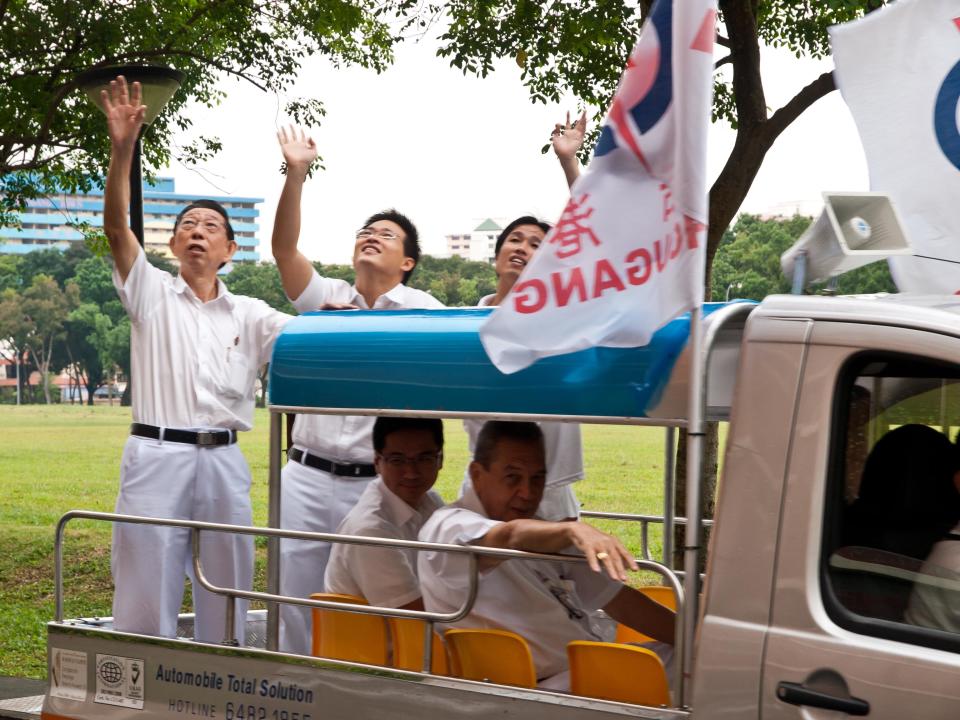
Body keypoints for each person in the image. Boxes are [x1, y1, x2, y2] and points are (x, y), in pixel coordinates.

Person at [100, 76, 291, 643]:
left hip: (224, 460)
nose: (197, 233)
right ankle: (136, 689)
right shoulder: (150, 293)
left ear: (231, 250)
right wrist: (122, 147)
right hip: (157, 453)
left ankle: (222, 674)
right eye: (187, 226)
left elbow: (310, 340)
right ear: (173, 245)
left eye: (211, 226)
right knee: (144, 583)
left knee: (228, 582)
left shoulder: (252, 313)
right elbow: (116, 228)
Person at [271, 125, 445, 654]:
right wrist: (296, 174)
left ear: (408, 262)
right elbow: (283, 250)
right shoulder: (327, 297)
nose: (372, 236)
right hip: (305, 473)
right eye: (366, 231)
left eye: (387, 235)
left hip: (372, 484)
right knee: (295, 601)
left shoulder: (427, 313)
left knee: (368, 607)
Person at [419, 421, 675, 690]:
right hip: (534, 686)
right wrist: (572, 529)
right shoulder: (448, 526)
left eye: (537, 479)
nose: (528, 493)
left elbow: (621, 602)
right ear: (477, 474)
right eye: (513, 477)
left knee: (696, 658)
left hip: (588, 665)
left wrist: (702, 641)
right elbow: (508, 536)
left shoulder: (545, 530)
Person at [462, 216, 585, 520]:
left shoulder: (563, 324)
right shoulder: (464, 326)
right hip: (486, 486)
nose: (522, 248)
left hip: (548, 489)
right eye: (515, 240)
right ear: (496, 257)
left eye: (536, 246)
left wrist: (570, 165)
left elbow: (593, 248)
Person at [324, 417, 444, 609]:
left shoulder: (430, 502)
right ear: (377, 462)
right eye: (397, 460)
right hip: (375, 637)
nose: (411, 472)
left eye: (424, 458)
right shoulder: (369, 531)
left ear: (440, 460)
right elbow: (413, 617)